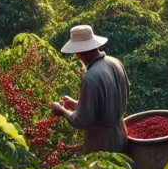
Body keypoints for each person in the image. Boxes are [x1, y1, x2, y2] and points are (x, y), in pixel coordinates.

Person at [51, 25, 129, 154]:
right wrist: (77, 104)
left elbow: (81, 121)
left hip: (101, 144)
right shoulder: (115, 62)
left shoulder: (91, 77)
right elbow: (106, 105)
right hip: (121, 133)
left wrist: (62, 111)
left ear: (81, 53)